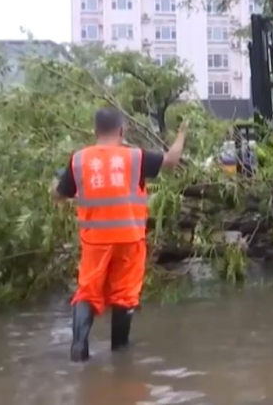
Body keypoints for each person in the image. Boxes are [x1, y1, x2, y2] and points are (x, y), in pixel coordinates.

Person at [52, 107, 187, 362]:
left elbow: (60, 195)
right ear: (122, 131)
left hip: (95, 241)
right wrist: (181, 135)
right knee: (124, 294)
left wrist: (54, 188)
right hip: (129, 238)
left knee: (87, 292)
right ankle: (120, 352)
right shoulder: (135, 157)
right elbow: (171, 161)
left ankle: (79, 350)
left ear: (95, 131)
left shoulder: (79, 160)